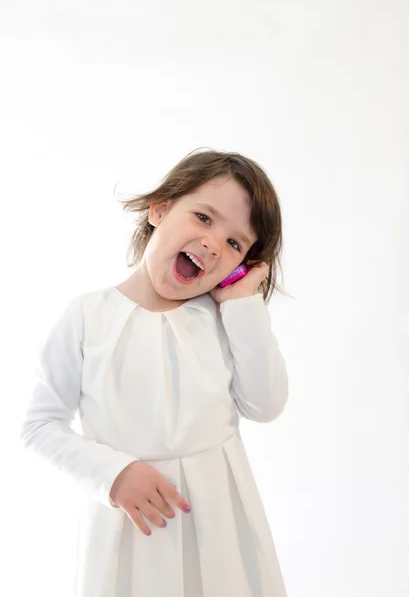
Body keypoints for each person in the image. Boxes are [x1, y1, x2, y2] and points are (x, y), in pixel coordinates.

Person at [20, 149, 290, 597]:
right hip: (133, 527)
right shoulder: (89, 317)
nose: (212, 244)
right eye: (204, 218)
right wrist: (114, 474)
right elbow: (39, 425)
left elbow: (266, 404)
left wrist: (243, 303)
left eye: (235, 244)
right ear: (160, 209)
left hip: (220, 526)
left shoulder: (225, 319)